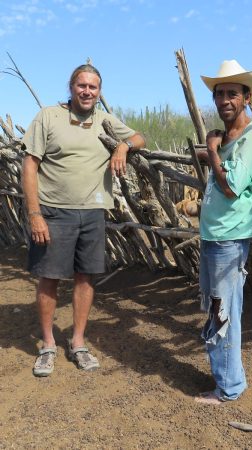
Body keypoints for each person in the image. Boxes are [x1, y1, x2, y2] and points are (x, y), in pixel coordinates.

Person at [21, 64, 145, 377]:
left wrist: (122, 145)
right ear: (71, 86)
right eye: (82, 85)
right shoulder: (49, 116)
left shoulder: (104, 119)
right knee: (49, 276)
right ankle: (48, 344)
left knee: (85, 277)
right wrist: (34, 214)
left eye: (93, 87)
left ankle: (78, 342)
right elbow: (30, 165)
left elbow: (139, 138)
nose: (87, 91)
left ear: (99, 92)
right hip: (53, 210)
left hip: (93, 211)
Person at [195, 60, 252, 404]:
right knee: (218, 310)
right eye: (219, 93)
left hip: (229, 239)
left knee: (222, 312)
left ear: (247, 97)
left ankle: (228, 389)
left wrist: (210, 148)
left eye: (232, 94)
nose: (225, 99)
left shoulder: (251, 138)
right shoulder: (230, 138)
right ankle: (230, 380)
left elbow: (231, 188)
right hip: (216, 237)